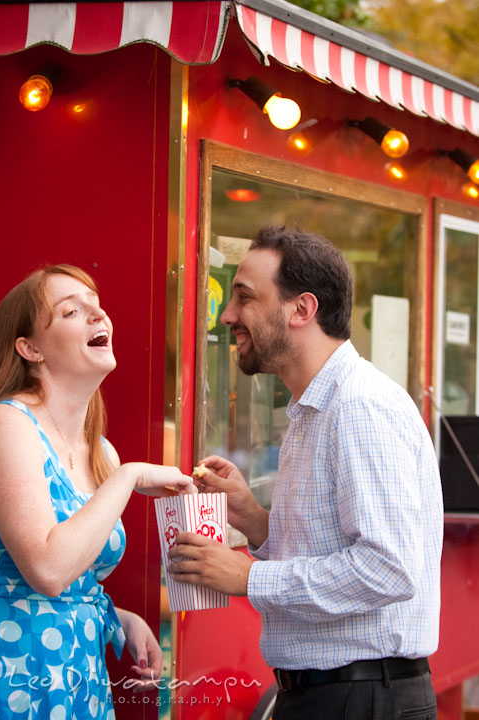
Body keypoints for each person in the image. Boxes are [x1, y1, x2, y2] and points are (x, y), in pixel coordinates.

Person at [168, 226, 444, 720]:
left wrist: (249, 576)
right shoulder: (315, 406)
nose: (228, 315)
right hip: (338, 696)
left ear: (302, 310)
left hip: (361, 699)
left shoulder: (358, 406)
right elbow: (331, 549)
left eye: (245, 297)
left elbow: (388, 568)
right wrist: (252, 518)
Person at [0, 264, 196, 719]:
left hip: (79, 677)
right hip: (16, 677)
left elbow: (73, 582)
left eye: (96, 305)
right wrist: (128, 476)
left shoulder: (98, 447)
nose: (97, 315)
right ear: (30, 349)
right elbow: (47, 569)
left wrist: (117, 618)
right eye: (72, 311)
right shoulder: (8, 422)